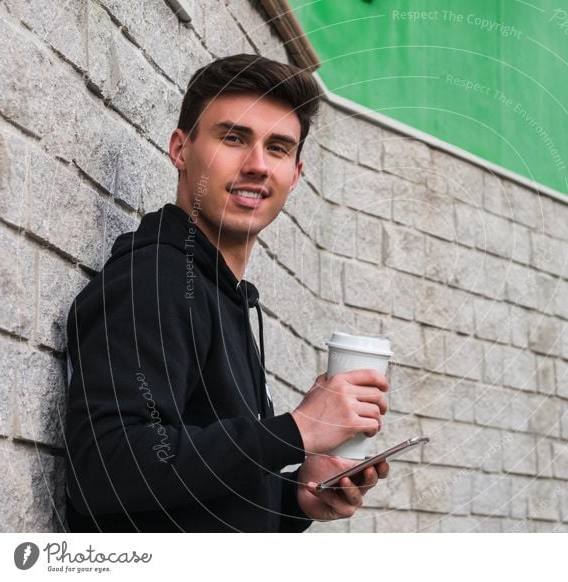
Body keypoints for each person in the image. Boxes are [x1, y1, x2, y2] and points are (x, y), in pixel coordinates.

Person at [64, 54, 390, 532]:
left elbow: (198, 497)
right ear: (180, 149)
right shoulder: (154, 281)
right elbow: (108, 468)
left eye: (278, 148)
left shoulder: (225, 294)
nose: (257, 165)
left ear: (295, 175)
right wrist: (297, 429)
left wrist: (296, 498)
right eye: (233, 138)